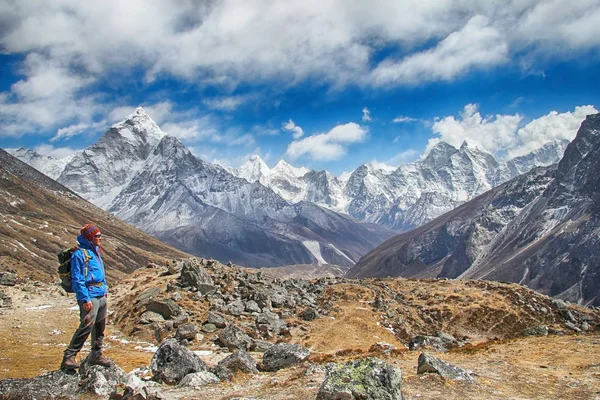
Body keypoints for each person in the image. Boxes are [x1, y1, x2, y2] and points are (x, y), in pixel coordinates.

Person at [61, 223, 111, 369]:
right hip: (90, 296)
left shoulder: (95, 251)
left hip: (100, 294)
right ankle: (69, 356)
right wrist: (84, 298)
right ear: (90, 237)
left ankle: (97, 354)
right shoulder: (80, 254)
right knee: (86, 326)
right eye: (97, 236)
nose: (100, 238)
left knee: (100, 326)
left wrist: (104, 288)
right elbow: (78, 279)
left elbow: (101, 272)